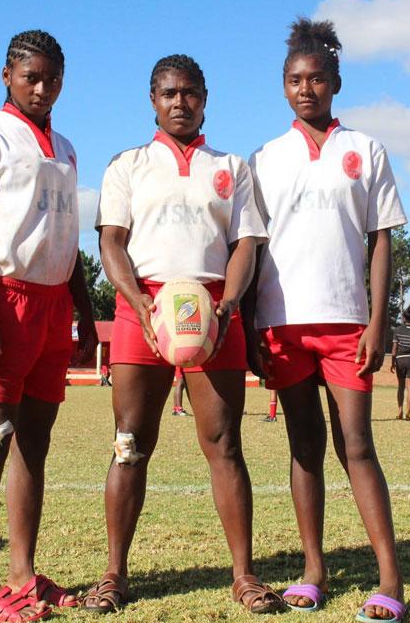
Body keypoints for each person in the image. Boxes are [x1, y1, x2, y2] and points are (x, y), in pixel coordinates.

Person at [83, 54, 282, 615]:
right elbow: (112, 243)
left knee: (225, 446)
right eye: (168, 93)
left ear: (205, 97)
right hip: (142, 309)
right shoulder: (127, 165)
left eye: (189, 92)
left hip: (215, 308)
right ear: (152, 100)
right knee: (129, 444)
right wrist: (141, 304)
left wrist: (229, 307)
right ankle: (114, 574)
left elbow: (247, 243)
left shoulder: (232, 167)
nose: (179, 102)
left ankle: (244, 575)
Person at [244, 19, 407, 622]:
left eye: (316, 78)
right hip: (281, 324)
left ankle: (390, 577)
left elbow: (382, 240)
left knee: (356, 445)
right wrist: (250, 330)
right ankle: (315, 569)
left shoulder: (365, 151)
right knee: (304, 446)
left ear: (335, 82)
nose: (305, 88)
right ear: (283, 87)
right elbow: (252, 245)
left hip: (345, 322)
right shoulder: (264, 159)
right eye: (294, 80)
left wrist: (377, 319)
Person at [0, 30, 97, 623]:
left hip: (54, 303)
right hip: (2, 301)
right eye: (30, 76)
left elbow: (70, 239)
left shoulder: (66, 147)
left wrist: (83, 311)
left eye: (52, 77)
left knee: (36, 440)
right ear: (7, 75)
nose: (41, 87)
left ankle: (23, 575)